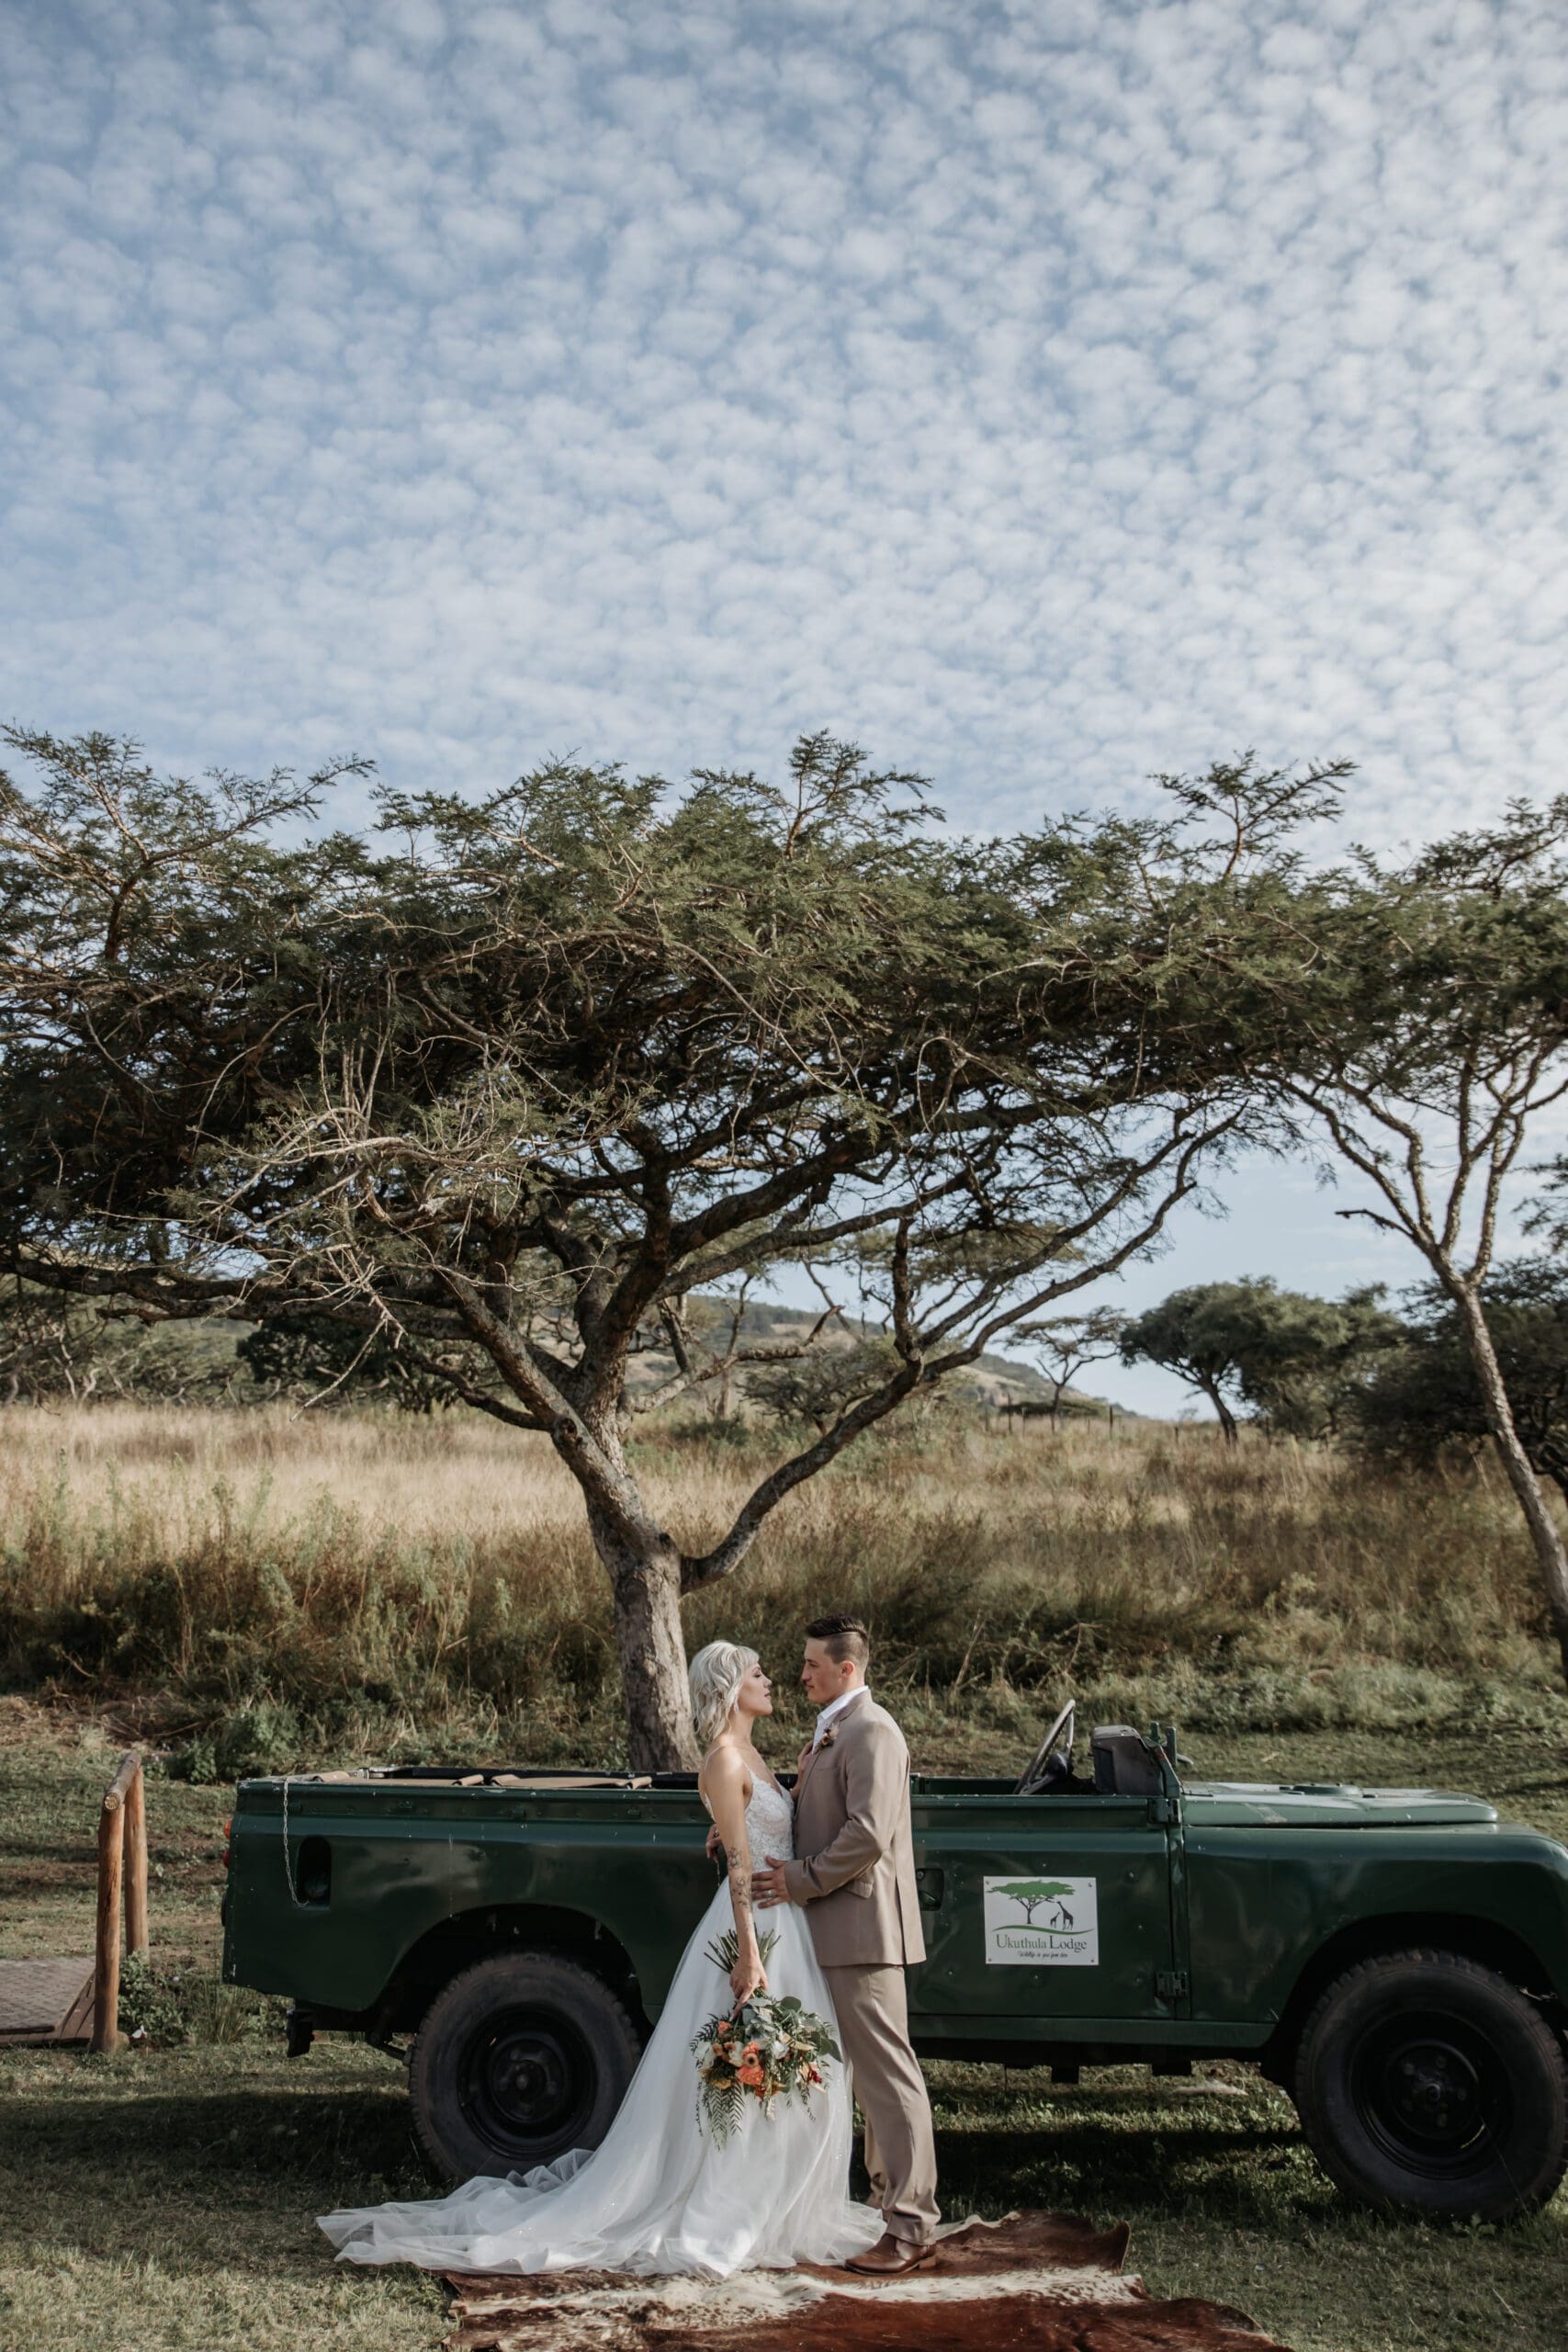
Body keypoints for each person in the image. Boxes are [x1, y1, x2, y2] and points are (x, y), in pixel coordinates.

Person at [318, 1640, 882, 2278]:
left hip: (789, 1929)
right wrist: (748, 1957)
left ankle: (776, 2201)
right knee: (744, 2077)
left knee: (783, 2075)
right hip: (754, 1932)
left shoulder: (751, 1755)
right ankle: (734, 2205)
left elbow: (759, 1826)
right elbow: (738, 1867)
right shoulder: (724, 1760)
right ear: (730, 1687)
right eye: (757, 1673)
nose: (771, 1680)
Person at [751, 1613, 940, 2273]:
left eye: (810, 1664)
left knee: (888, 2076)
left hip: (861, 1927)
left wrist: (797, 1880)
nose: (800, 1673)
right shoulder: (834, 1729)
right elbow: (815, 1814)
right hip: (831, 1927)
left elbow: (866, 1833)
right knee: (861, 2078)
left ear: (846, 1669)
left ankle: (912, 2225)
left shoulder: (872, 1732)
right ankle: (886, 2207)